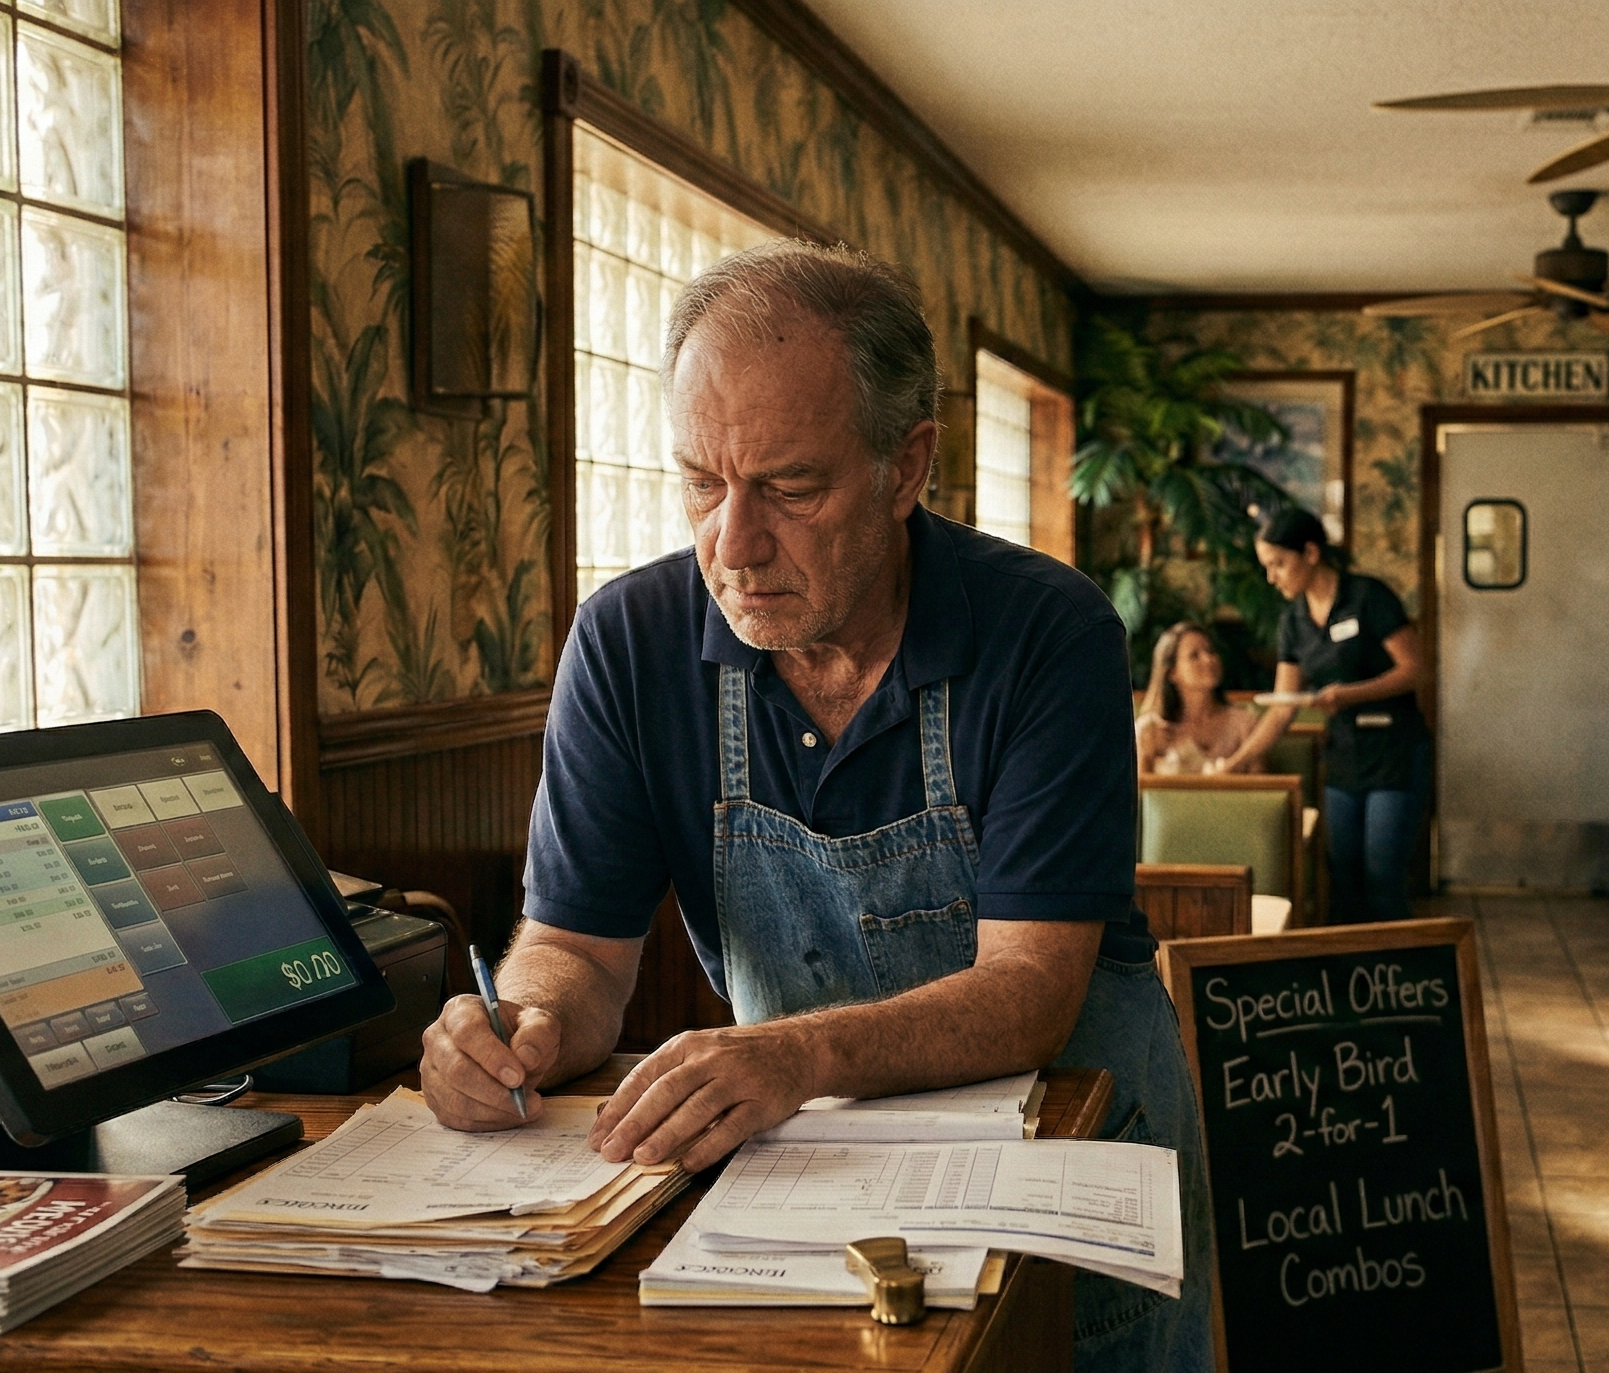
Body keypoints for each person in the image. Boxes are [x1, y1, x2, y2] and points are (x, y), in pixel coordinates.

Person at [415, 241, 1210, 1370]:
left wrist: (783, 1056)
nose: (731, 545)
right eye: (701, 481)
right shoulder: (627, 643)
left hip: (1064, 1181)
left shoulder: (1047, 631)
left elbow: (1030, 989)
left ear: (906, 465)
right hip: (810, 1198)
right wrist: (521, 1027)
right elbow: (574, 954)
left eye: (789, 486)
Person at [1247, 508, 1431, 924]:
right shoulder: (1293, 620)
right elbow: (1283, 707)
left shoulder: (1368, 597)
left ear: (1311, 553)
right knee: (1343, 879)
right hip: (1344, 757)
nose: (1272, 577)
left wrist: (1347, 695)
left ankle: (1397, 980)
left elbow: (1416, 669)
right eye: (1267, 567)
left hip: (1394, 753)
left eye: (1279, 564)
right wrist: (1232, 765)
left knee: (1382, 878)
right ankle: (1354, 981)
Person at [1136, 621, 1263, 775]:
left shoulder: (1243, 724)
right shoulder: (1149, 731)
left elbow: (1262, 790)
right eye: (1194, 656)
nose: (1208, 660)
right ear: (1172, 672)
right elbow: (1138, 793)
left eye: (1211, 651)